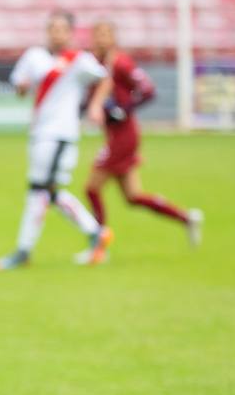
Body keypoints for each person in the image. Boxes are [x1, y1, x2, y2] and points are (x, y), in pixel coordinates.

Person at [0, 10, 114, 271]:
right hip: (39, 132)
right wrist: (23, 87)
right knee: (48, 193)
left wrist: (95, 105)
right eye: (52, 28)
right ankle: (95, 232)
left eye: (61, 29)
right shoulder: (33, 57)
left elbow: (105, 78)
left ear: (71, 33)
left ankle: (24, 250)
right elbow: (20, 88)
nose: (56, 33)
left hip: (60, 134)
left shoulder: (79, 60)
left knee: (39, 191)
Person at [83, 21, 202, 248]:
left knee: (92, 187)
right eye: (97, 34)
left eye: (106, 34)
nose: (101, 39)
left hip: (124, 135)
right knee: (133, 196)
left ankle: (99, 245)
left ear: (114, 38)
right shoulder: (96, 65)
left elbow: (147, 90)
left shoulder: (121, 63)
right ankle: (186, 218)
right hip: (113, 134)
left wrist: (124, 110)